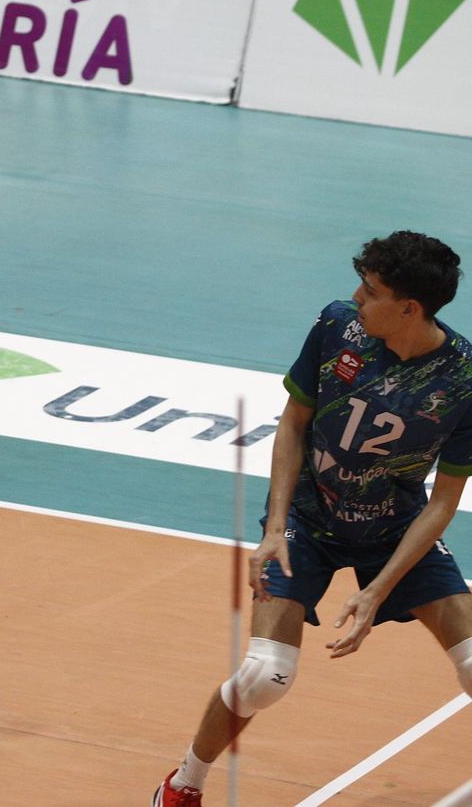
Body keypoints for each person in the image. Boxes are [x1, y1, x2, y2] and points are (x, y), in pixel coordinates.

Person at [154, 231, 472, 806]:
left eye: (370, 290)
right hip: (308, 516)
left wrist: (376, 591)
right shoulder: (336, 325)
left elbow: (444, 499)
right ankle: (182, 785)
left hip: (393, 527)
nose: (356, 297)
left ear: (410, 308)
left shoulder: (464, 379)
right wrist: (274, 528)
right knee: (263, 677)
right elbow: (293, 423)